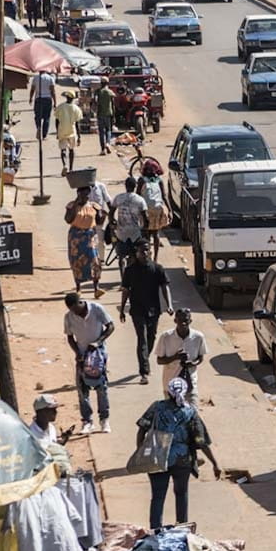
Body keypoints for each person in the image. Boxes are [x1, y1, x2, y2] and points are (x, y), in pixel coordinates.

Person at [135, 377, 220, 528]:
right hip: (182, 460)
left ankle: (155, 531)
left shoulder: (157, 407)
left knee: (158, 496)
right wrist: (215, 463)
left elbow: (142, 430)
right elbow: (202, 441)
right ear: (185, 392)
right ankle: (182, 528)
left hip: (157, 457)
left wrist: (140, 451)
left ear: (168, 392)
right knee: (181, 493)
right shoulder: (190, 412)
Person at [63, 292, 115, 435]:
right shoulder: (69, 317)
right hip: (81, 356)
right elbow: (70, 338)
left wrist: (98, 342)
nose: (75, 313)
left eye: (76, 309)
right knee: (82, 389)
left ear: (80, 302)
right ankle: (87, 422)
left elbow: (110, 326)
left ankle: (104, 420)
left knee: (101, 387)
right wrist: (77, 353)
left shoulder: (96, 309)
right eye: (72, 310)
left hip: (98, 355)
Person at [119, 243, 170, 384]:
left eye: (147, 250)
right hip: (137, 310)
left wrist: (169, 305)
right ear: (137, 253)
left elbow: (165, 287)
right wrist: (122, 309)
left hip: (154, 309)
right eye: (142, 251)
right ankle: (144, 372)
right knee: (142, 338)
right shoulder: (130, 271)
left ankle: (144, 359)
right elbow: (125, 291)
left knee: (151, 337)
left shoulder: (157, 269)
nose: (145, 253)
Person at [65, 185, 107, 298]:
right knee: (76, 261)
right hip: (76, 237)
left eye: (86, 194)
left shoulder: (93, 206)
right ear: (78, 194)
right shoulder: (72, 205)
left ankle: (96, 288)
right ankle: (78, 288)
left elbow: (98, 221)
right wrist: (75, 204)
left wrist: (101, 214)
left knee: (95, 260)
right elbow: (68, 219)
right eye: (82, 194)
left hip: (90, 236)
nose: (85, 197)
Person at [155, 307, 206, 399]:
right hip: (171, 386)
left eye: (186, 320)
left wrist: (193, 363)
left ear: (190, 321)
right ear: (175, 321)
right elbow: (159, 360)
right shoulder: (166, 337)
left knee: (192, 412)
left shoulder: (198, 337)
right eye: (180, 320)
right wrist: (175, 357)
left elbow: (200, 357)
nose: (183, 323)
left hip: (190, 385)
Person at [110, 176, 148, 268]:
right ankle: (130, 275)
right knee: (133, 256)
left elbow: (111, 213)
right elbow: (145, 218)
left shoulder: (118, 198)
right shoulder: (140, 200)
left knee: (121, 256)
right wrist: (145, 230)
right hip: (135, 233)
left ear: (125, 186)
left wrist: (112, 222)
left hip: (121, 232)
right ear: (135, 186)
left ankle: (123, 276)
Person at [54, 90, 83, 174]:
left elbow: (57, 121)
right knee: (71, 150)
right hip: (72, 131)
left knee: (63, 149)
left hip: (62, 130)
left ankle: (64, 165)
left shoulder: (60, 107)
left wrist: (57, 132)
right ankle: (71, 168)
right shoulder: (76, 109)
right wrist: (79, 136)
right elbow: (77, 124)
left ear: (66, 97)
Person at [30, 67, 57, 142]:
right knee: (46, 118)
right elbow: (53, 91)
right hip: (48, 99)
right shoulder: (50, 78)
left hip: (38, 99)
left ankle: (38, 127)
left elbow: (32, 89)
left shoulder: (35, 78)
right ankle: (44, 135)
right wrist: (55, 102)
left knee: (37, 116)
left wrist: (30, 98)